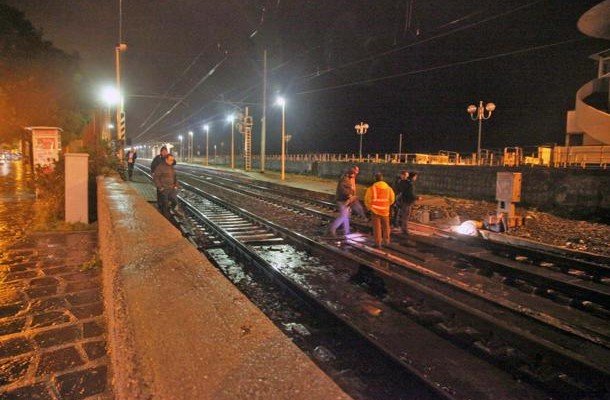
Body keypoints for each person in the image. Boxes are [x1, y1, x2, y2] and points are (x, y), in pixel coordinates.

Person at [364, 172, 395, 248]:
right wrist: (386, 205)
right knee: (386, 226)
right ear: (382, 179)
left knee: (377, 228)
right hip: (385, 211)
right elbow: (392, 199)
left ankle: (378, 243)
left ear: (375, 179)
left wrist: (369, 208)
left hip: (375, 211)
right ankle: (386, 241)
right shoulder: (389, 189)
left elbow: (367, 200)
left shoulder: (371, 188)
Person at [329, 168, 357, 237]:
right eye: (353, 174)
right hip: (342, 200)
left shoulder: (348, 179)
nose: (354, 176)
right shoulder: (345, 180)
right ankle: (332, 229)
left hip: (346, 200)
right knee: (343, 216)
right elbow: (344, 191)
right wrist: (350, 195)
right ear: (350, 174)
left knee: (346, 216)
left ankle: (347, 231)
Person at [153, 154, 180, 219]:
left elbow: (175, 177)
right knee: (165, 204)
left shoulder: (171, 167)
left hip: (172, 188)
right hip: (164, 189)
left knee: (175, 201)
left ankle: (172, 210)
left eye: (173, 160)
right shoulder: (160, 167)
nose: (172, 161)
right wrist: (160, 187)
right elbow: (156, 177)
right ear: (166, 160)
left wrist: (176, 185)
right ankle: (166, 218)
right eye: (170, 160)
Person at [398, 172, 419, 238]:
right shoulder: (410, 184)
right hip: (407, 201)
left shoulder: (402, 182)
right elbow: (411, 194)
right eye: (415, 177)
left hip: (403, 200)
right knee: (406, 216)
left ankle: (403, 228)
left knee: (404, 215)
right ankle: (405, 230)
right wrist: (417, 197)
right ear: (413, 177)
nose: (416, 178)